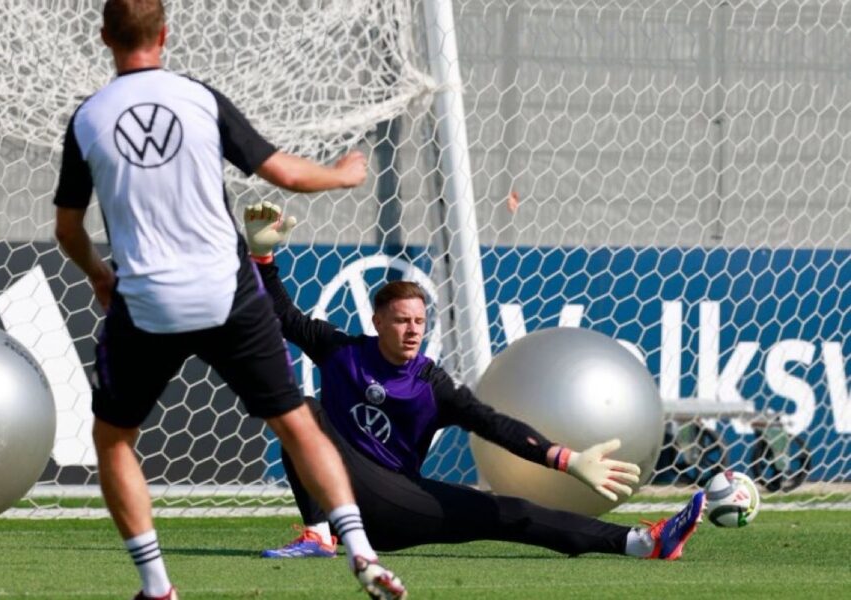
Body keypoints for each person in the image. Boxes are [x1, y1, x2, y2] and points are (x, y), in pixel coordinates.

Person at [52, 2, 406, 598]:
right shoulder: (199, 99)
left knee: (114, 440)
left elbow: (66, 229)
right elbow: (284, 175)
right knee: (295, 422)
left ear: (105, 37)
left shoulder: (89, 119)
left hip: (147, 300)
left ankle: (158, 586)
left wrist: (97, 275)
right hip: (228, 293)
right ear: (165, 35)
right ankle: (362, 552)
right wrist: (345, 175)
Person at [242, 202, 706, 562]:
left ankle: (645, 542)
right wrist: (262, 255)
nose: (413, 330)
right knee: (302, 411)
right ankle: (319, 535)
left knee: (511, 513)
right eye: (402, 320)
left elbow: (492, 424)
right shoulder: (340, 350)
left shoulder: (431, 384)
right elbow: (282, 314)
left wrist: (566, 460)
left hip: (395, 506)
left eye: (420, 321)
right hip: (341, 493)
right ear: (377, 320)